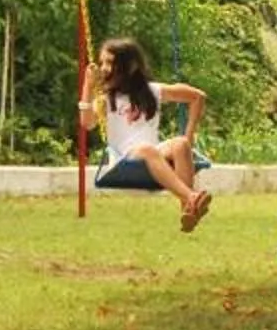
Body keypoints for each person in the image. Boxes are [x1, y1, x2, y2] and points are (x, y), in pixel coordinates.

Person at [77, 36, 212, 232]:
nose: (104, 68)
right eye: (102, 62)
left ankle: (189, 212)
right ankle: (191, 197)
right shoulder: (106, 98)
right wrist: (88, 87)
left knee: (181, 144)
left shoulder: (153, 91)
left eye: (110, 62)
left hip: (152, 154)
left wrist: (190, 136)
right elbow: (87, 123)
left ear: (130, 67)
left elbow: (197, 97)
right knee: (147, 149)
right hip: (123, 158)